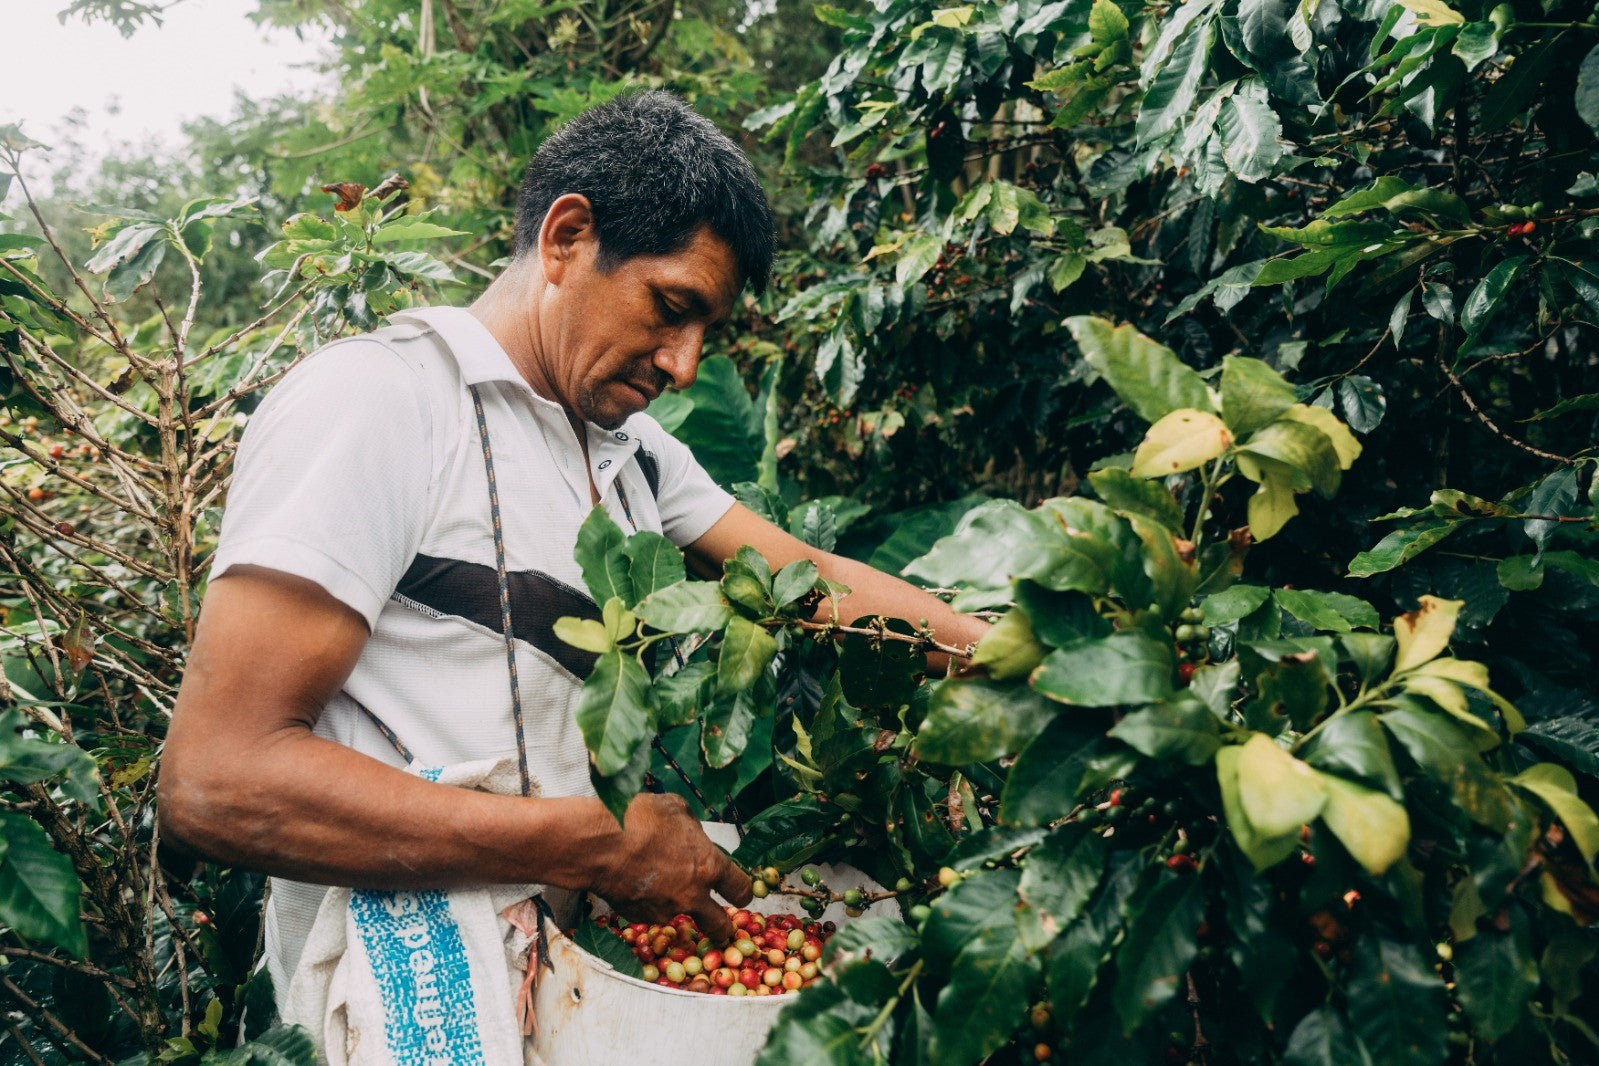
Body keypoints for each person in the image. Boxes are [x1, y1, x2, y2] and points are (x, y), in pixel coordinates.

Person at [159, 90, 989, 1006]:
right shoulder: (383, 403)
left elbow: (807, 578)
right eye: (670, 308)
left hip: (551, 986)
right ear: (567, 238)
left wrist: (1010, 659)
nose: (683, 365)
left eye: (706, 331)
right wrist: (595, 844)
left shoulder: (629, 453)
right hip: (394, 1004)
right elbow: (217, 783)